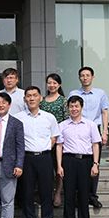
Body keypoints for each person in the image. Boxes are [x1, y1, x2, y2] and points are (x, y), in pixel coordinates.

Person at [15, 86, 60, 218]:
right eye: (29, 96)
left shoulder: (49, 117)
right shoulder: (18, 118)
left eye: (35, 95)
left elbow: (54, 138)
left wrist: (43, 149)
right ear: (24, 99)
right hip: (26, 158)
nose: (32, 98)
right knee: (27, 192)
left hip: (45, 158)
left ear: (40, 98)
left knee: (46, 192)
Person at [56, 95, 101, 218]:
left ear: (81, 107)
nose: (74, 109)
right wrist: (59, 165)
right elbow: (59, 146)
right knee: (69, 193)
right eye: (71, 106)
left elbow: (95, 145)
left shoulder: (90, 125)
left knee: (84, 193)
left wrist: (95, 164)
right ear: (68, 108)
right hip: (68, 160)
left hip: (85, 161)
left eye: (76, 106)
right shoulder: (62, 125)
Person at [68, 66, 109, 209]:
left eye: (87, 75)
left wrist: (105, 131)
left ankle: (92, 196)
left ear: (92, 77)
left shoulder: (100, 93)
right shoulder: (73, 93)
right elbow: (70, 111)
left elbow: (104, 112)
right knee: (78, 163)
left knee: (94, 164)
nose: (85, 78)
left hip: (94, 129)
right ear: (79, 78)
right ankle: (78, 195)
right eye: (82, 75)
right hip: (76, 129)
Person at [39, 73, 68, 207]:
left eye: (54, 83)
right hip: (45, 139)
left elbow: (66, 120)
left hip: (60, 139)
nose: (52, 85)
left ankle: (58, 193)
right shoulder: (42, 101)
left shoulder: (63, 100)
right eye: (49, 83)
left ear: (59, 85)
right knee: (47, 169)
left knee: (58, 167)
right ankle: (47, 192)